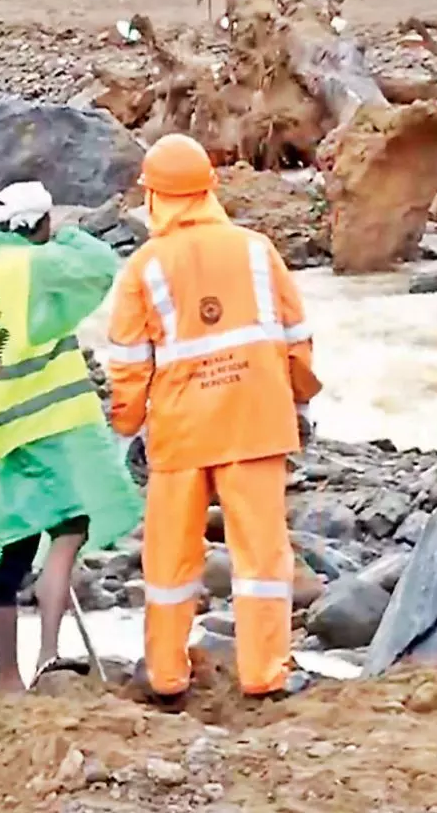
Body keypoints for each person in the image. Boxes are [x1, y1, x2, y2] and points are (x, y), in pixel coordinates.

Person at [106, 134, 322, 702]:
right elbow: (296, 338)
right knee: (261, 556)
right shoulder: (257, 250)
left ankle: (166, 674)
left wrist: (127, 424)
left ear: (152, 197)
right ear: (210, 188)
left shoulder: (142, 267)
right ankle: (266, 672)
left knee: (170, 558)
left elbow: (128, 361)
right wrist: (298, 397)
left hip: (181, 431)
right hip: (255, 420)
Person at [0, 181, 144, 693]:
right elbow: (100, 266)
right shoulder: (38, 263)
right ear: (40, 224)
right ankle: (49, 654)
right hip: (52, 422)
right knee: (69, 527)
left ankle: (7, 680)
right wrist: (67, 236)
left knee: (7, 546)